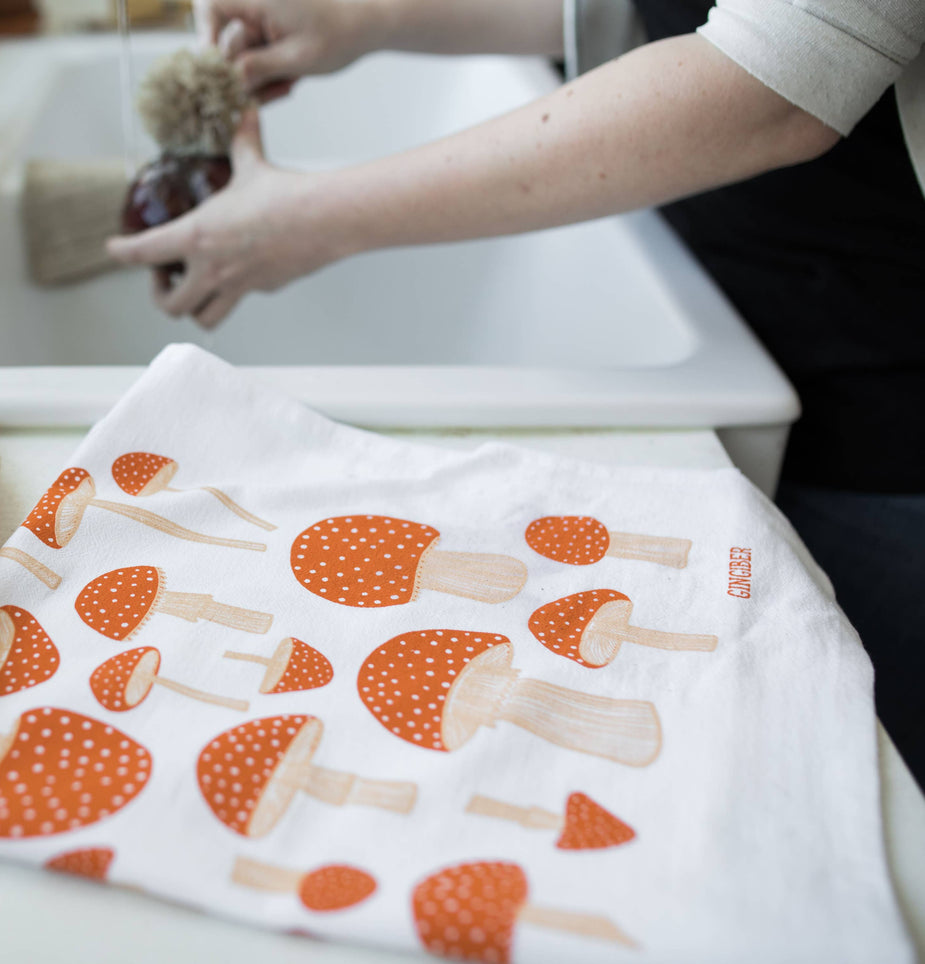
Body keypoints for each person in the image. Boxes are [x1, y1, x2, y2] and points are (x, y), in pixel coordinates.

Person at [106, 0, 925, 779]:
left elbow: (777, 82)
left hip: (886, 418)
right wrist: (370, 18)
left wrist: (314, 219)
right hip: (740, 314)